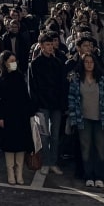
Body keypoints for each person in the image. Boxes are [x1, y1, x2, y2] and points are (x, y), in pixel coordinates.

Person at [67, 53, 104, 189]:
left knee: (100, 148)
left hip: (100, 118)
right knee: (85, 148)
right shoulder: (76, 79)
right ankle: (88, 175)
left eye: (91, 62)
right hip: (83, 119)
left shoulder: (103, 80)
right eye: (86, 62)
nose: (89, 64)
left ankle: (99, 176)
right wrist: (74, 118)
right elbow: (72, 100)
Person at [0, 50, 34, 185]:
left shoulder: (20, 76)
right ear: (4, 62)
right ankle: (10, 173)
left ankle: (19, 173)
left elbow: (25, 97)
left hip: (20, 115)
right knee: (9, 145)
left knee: (20, 144)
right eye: (11, 61)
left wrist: (30, 113)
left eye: (14, 61)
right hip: (6, 116)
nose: (13, 63)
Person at [29, 32, 67, 175]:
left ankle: (53, 162)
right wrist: (35, 105)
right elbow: (32, 87)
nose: (50, 47)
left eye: (51, 44)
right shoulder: (35, 64)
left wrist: (63, 104)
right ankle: (45, 162)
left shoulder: (58, 62)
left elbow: (63, 85)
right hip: (41, 105)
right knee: (44, 136)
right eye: (47, 44)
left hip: (56, 105)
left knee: (55, 135)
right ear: (41, 46)